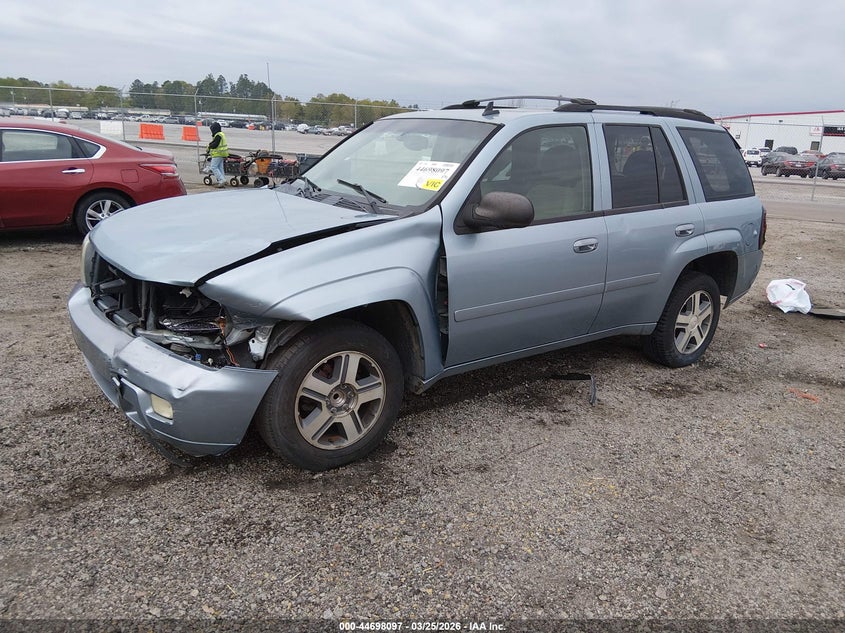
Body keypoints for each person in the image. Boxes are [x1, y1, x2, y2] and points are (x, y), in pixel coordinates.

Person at [205, 121, 229, 187]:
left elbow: (215, 144)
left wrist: (209, 146)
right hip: (222, 153)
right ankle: (223, 179)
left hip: (218, 154)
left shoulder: (218, 135)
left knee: (213, 167)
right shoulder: (221, 134)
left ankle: (221, 180)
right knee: (220, 167)